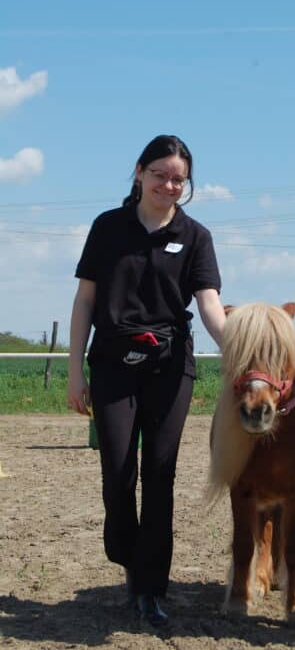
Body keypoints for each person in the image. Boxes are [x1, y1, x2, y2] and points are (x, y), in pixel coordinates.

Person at [67, 134, 225, 628]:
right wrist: (74, 370)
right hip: (113, 364)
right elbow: (85, 301)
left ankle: (151, 587)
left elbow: (209, 304)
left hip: (169, 367)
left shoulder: (195, 236)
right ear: (139, 172)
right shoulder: (107, 228)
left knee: (160, 474)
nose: (169, 185)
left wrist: (237, 347)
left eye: (179, 179)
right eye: (160, 175)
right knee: (118, 472)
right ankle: (128, 555)